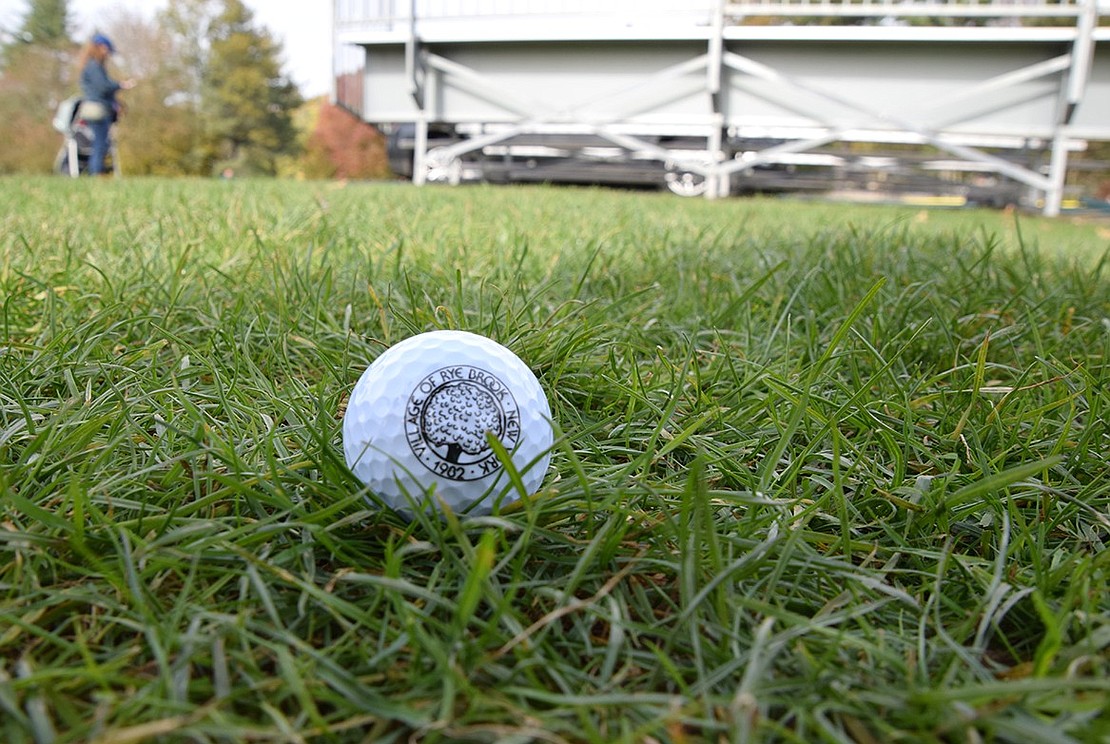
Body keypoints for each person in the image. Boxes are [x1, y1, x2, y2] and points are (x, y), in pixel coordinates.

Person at [76, 33, 134, 176]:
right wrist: (121, 85)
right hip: (97, 110)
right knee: (100, 143)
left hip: (95, 108)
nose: (107, 54)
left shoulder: (92, 66)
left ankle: (97, 172)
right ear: (100, 47)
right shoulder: (94, 66)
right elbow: (103, 87)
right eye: (106, 49)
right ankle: (96, 173)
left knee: (100, 142)